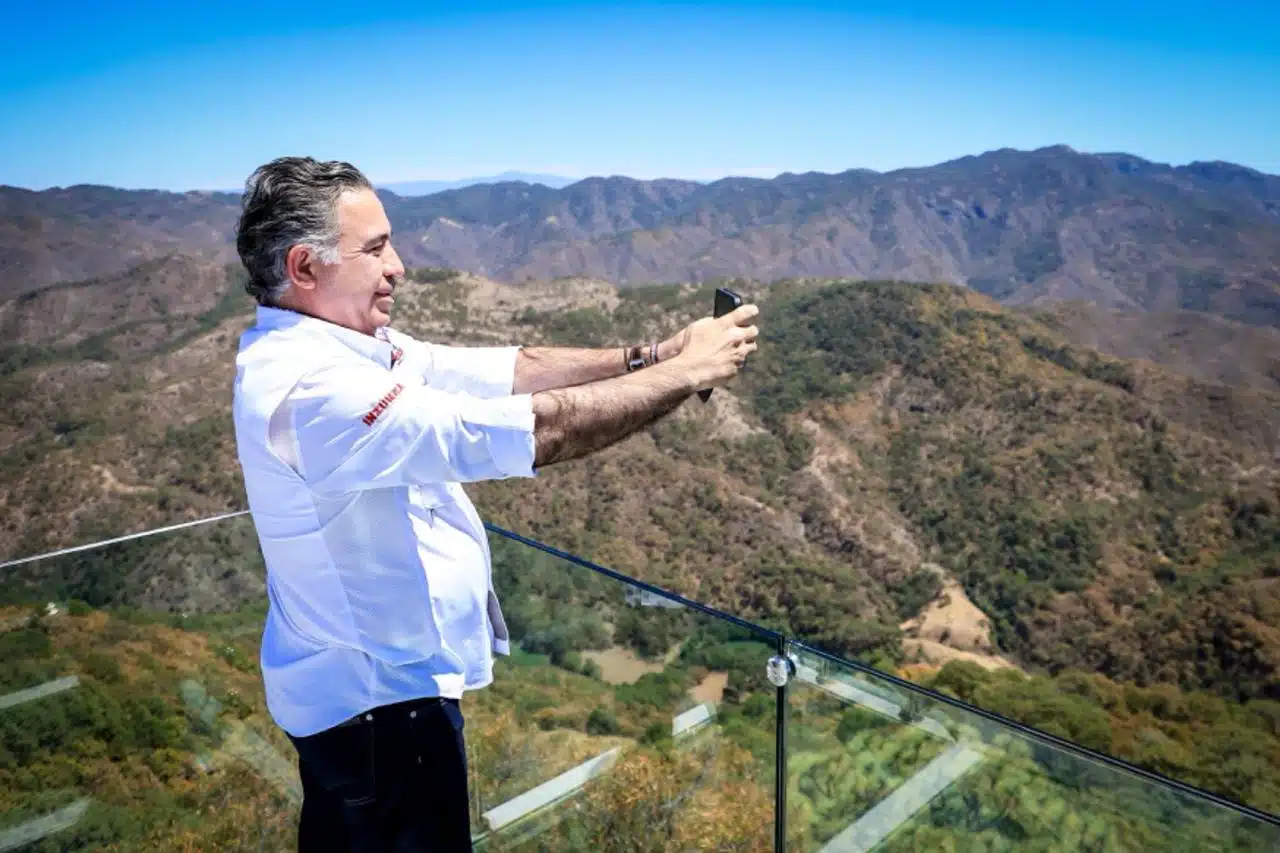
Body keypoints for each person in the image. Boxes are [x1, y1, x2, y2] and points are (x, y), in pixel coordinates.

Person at [230, 156, 760, 853]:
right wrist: (689, 373)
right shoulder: (313, 388)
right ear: (304, 267)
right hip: (378, 718)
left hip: (376, 705)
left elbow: (507, 371)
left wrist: (655, 353)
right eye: (375, 247)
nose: (399, 265)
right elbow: (539, 428)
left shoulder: (352, 348)